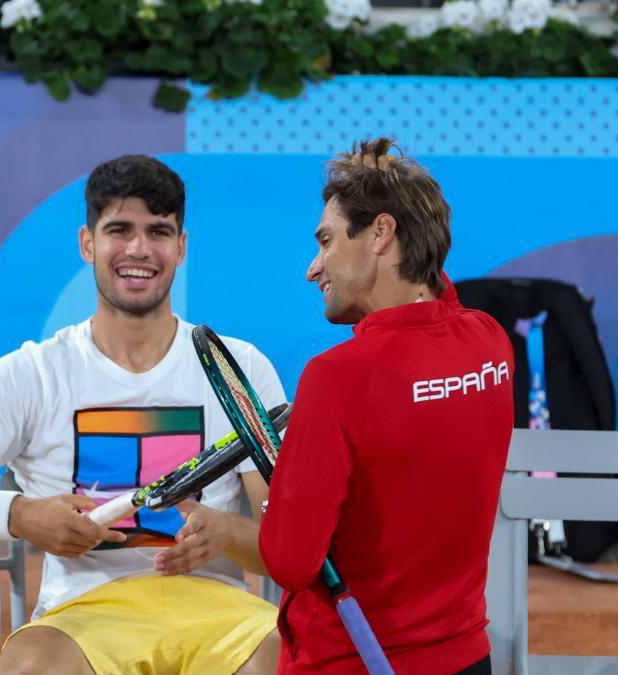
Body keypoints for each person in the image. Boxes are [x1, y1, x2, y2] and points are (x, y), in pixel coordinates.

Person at [0, 155, 284, 675]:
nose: (138, 249)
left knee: (295, 659)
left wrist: (228, 533)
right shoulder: (31, 374)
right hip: (79, 617)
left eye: (158, 231)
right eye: (119, 230)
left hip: (220, 611)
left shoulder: (240, 368)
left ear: (181, 246)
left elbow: (287, 544)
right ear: (88, 243)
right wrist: (20, 515)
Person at [258, 138, 514, 674]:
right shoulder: (491, 344)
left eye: (326, 241)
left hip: (349, 663)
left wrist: (278, 503)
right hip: (467, 658)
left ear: (380, 233)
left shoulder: (337, 378)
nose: (314, 267)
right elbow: (439, 303)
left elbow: (290, 560)